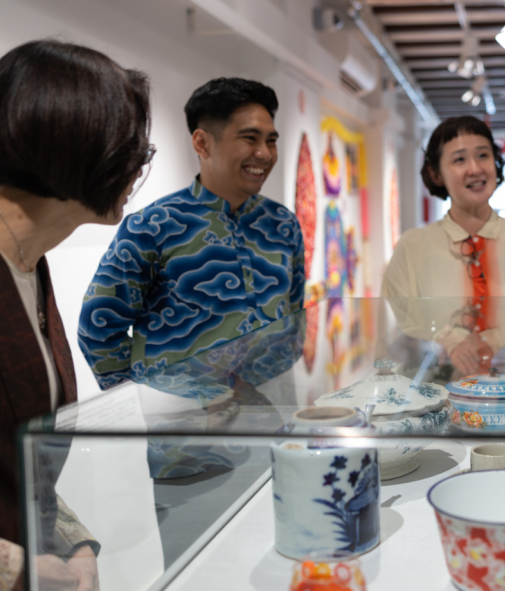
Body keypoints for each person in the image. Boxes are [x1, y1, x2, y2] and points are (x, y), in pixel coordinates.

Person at [0, 40, 154, 590]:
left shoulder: (30, 266)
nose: (138, 165)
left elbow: (18, 466)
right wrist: (15, 567)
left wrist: (75, 543)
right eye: (130, 146)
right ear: (74, 142)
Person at [79, 78, 305, 390]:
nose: (264, 154)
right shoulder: (153, 226)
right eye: (250, 138)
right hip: (182, 430)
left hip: (268, 415)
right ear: (202, 143)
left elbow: (294, 319)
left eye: (271, 141)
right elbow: (98, 329)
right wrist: (142, 405)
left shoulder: (283, 224)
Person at [381, 115, 505, 375]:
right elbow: (398, 326)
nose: (475, 168)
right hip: (435, 394)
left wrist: (495, 339)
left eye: (483, 155)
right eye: (459, 159)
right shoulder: (412, 247)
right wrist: (450, 339)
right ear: (436, 173)